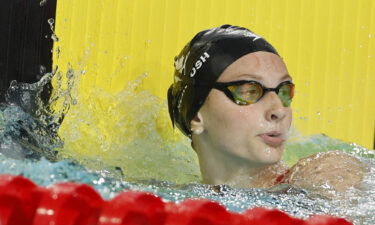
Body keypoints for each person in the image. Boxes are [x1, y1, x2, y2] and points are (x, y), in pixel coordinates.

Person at [167, 25, 367, 193]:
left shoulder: (321, 174)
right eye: (249, 91)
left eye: (284, 91)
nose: (279, 110)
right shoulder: (179, 197)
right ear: (196, 116)